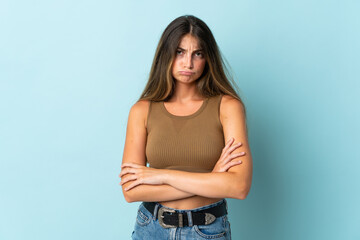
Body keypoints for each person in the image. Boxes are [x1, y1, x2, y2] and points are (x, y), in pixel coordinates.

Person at [119, 15, 253, 240]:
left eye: (197, 54)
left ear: (207, 58)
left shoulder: (227, 107)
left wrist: (160, 175)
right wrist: (212, 178)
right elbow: (131, 191)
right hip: (151, 228)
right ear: (166, 55)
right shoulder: (142, 110)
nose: (188, 63)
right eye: (179, 52)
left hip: (206, 229)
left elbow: (239, 186)